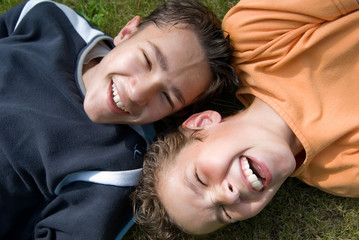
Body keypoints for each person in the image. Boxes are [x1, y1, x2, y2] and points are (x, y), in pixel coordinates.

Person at [0, 0, 237, 239]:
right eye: (146, 60)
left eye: (166, 96)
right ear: (126, 32)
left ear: (174, 114)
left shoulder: (118, 167)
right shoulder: (50, 18)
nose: (136, 93)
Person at [132, 0, 359, 239]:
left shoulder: (255, 39)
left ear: (202, 123)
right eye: (224, 213)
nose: (227, 196)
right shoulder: (341, 173)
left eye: (199, 179)